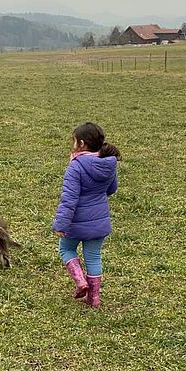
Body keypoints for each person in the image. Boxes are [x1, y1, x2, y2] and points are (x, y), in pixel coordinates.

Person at [53, 122, 120, 308]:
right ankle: (93, 299)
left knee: (66, 249)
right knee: (93, 257)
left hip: (76, 222)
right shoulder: (109, 163)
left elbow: (69, 199)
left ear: (81, 144)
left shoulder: (75, 166)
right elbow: (112, 189)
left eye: (73, 141)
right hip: (99, 222)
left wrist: (61, 225)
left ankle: (80, 281)